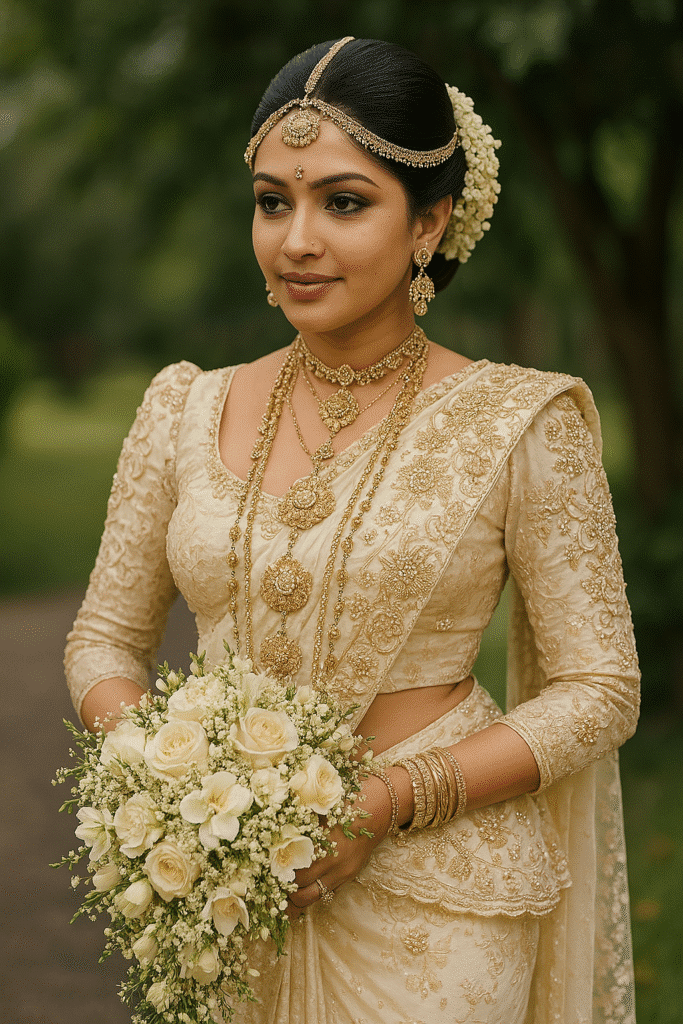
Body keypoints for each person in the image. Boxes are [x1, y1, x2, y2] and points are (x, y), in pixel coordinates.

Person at [64, 36, 640, 1024]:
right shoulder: (183, 409)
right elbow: (101, 642)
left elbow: (599, 690)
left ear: (429, 221)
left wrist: (390, 798)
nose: (295, 240)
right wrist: (171, 776)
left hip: (436, 909)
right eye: (271, 201)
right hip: (220, 893)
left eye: (342, 201)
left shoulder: (518, 423)